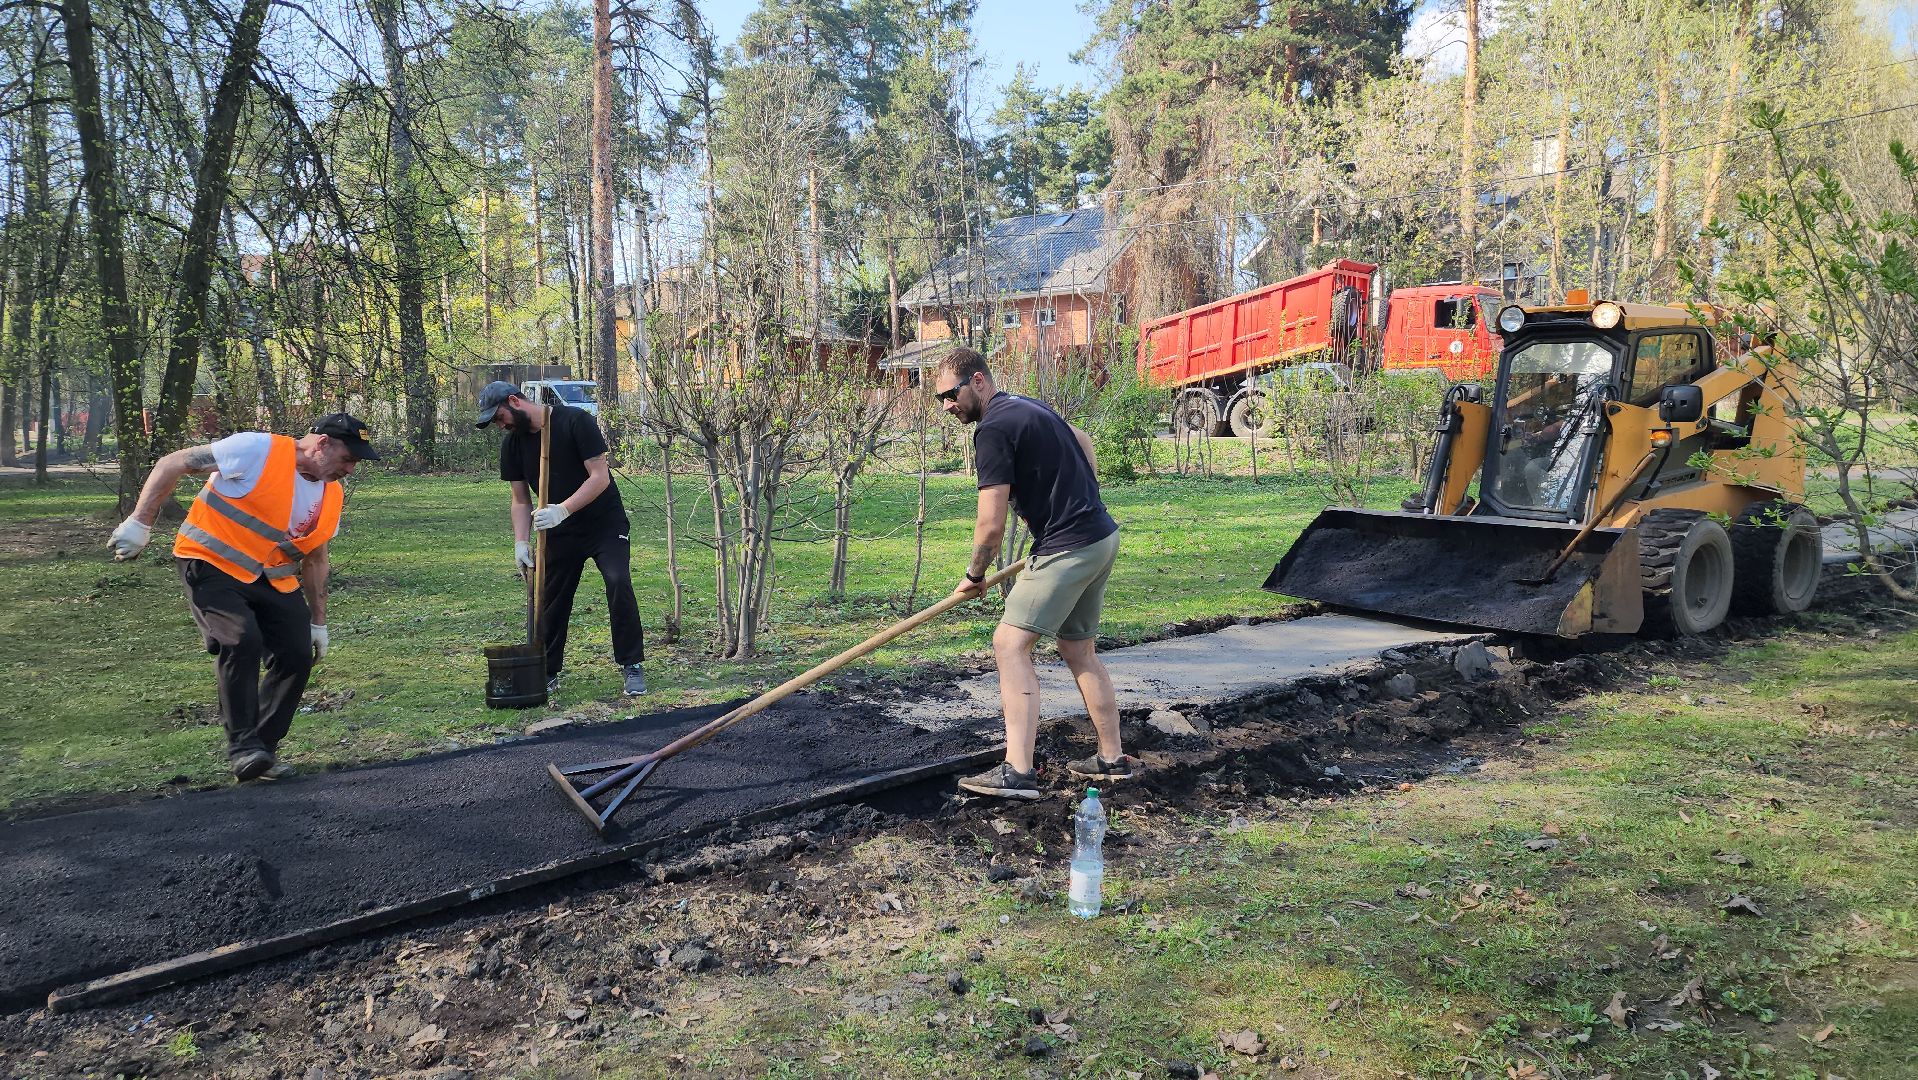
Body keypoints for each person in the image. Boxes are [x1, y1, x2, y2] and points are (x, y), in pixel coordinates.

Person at [106, 414, 381, 782]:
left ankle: (260, 753)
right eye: (349, 458)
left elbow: (316, 558)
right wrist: (140, 522)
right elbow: (172, 462)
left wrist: (318, 622)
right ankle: (243, 747)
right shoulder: (256, 449)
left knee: (297, 654)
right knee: (241, 639)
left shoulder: (331, 492)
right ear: (323, 443)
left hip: (269, 577)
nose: (351, 468)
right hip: (210, 563)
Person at [935, 348, 1133, 800]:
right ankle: (1111, 760)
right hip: (1100, 536)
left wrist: (974, 573)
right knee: (1077, 648)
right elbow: (1082, 439)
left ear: (978, 381)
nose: (947, 405)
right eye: (940, 398)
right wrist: (1084, 499)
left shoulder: (992, 429)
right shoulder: (1026, 405)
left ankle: (1017, 772)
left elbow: (990, 525)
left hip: (1068, 547)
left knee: (1009, 644)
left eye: (951, 394)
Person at [474, 380, 645, 698]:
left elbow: (600, 477)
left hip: (603, 523)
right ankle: (547, 671)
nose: (500, 426)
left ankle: (632, 665)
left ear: (515, 401)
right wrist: (521, 542)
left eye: (499, 417)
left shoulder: (575, 421)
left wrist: (563, 510)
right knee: (550, 600)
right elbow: (521, 500)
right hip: (559, 533)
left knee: (618, 581)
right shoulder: (513, 444)